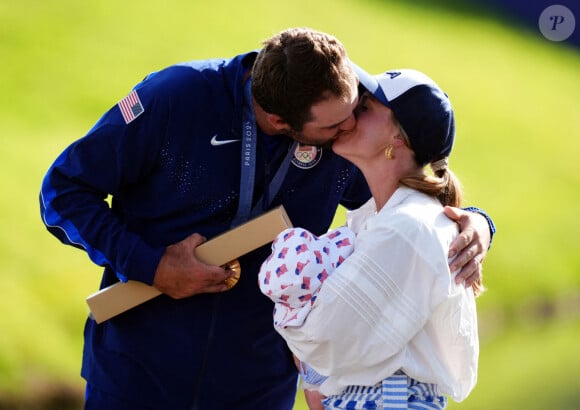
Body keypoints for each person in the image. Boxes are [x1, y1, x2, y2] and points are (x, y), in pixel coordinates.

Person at [39, 27, 494, 409]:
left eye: (356, 109)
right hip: (137, 375)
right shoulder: (174, 99)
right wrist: (149, 264)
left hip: (259, 388)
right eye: (334, 127)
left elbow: (403, 197)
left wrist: (475, 222)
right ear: (279, 120)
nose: (351, 125)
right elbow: (62, 192)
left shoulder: (339, 121)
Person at [263, 68, 485, 409]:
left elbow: (326, 344)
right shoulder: (381, 218)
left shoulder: (406, 227)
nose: (349, 115)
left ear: (397, 138)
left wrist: (294, 324)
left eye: (365, 108)